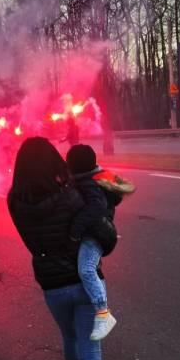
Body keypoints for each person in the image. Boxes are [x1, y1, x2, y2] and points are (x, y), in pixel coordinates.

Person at [7, 137, 116, 360]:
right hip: (83, 282)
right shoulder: (72, 195)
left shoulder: (14, 201)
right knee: (91, 352)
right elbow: (97, 219)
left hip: (51, 283)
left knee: (68, 337)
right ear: (56, 162)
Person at [66, 144, 135, 341]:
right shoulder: (95, 179)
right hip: (97, 231)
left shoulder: (88, 183)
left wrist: (75, 230)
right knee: (89, 267)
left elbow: (96, 207)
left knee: (86, 269)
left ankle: (103, 313)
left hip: (94, 234)